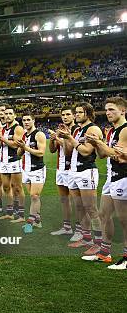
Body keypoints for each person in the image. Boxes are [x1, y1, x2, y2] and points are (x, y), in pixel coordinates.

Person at [82, 96, 127, 269]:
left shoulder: (125, 129)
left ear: (122, 111)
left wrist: (100, 144)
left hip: (123, 177)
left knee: (124, 220)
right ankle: (104, 253)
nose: (107, 113)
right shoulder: (112, 131)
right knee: (103, 214)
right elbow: (103, 155)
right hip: (111, 176)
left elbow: (120, 156)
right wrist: (97, 143)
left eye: (112, 110)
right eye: (106, 110)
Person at [57, 102, 103, 255]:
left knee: (90, 208)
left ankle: (99, 242)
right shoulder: (77, 129)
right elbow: (69, 151)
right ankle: (86, 238)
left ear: (87, 114)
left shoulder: (93, 129)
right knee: (79, 207)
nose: (76, 114)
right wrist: (65, 137)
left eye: (79, 112)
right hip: (73, 172)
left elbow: (86, 151)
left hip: (86, 171)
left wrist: (70, 137)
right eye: (75, 112)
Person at [49, 107, 79, 237]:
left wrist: (60, 138)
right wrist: (52, 139)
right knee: (64, 200)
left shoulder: (77, 130)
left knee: (77, 202)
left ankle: (80, 230)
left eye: (68, 114)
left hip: (72, 169)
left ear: (73, 116)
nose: (65, 117)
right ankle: (67, 228)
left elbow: (72, 149)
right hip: (60, 169)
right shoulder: (60, 130)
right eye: (63, 115)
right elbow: (52, 150)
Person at [15, 113, 47, 233]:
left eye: (28, 120)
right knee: (33, 197)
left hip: (37, 169)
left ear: (33, 120)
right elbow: (19, 154)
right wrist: (21, 146)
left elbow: (41, 153)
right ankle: (38, 221)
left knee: (34, 196)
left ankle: (29, 223)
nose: (26, 122)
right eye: (24, 120)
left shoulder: (39, 134)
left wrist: (26, 147)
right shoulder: (24, 135)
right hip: (26, 170)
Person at [0, 106, 25, 221]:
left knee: (17, 187)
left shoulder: (18, 128)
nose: (7, 116)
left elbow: (16, 145)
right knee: (6, 187)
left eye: (10, 113)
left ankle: (21, 214)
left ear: (15, 115)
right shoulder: (2, 129)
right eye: (6, 114)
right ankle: (10, 212)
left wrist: (2, 138)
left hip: (14, 160)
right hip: (3, 161)